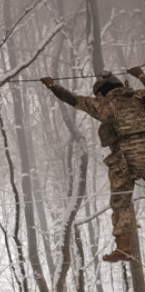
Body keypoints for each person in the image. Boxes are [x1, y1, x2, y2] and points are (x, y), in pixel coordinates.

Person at [41, 67, 145, 262]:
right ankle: (123, 247)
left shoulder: (105, 105)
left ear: (101, 92)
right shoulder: (139, 96)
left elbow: (75, 100)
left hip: (124, 158)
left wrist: (53, 86)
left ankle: (123, 246)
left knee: (121, 200)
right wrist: (140, 75)